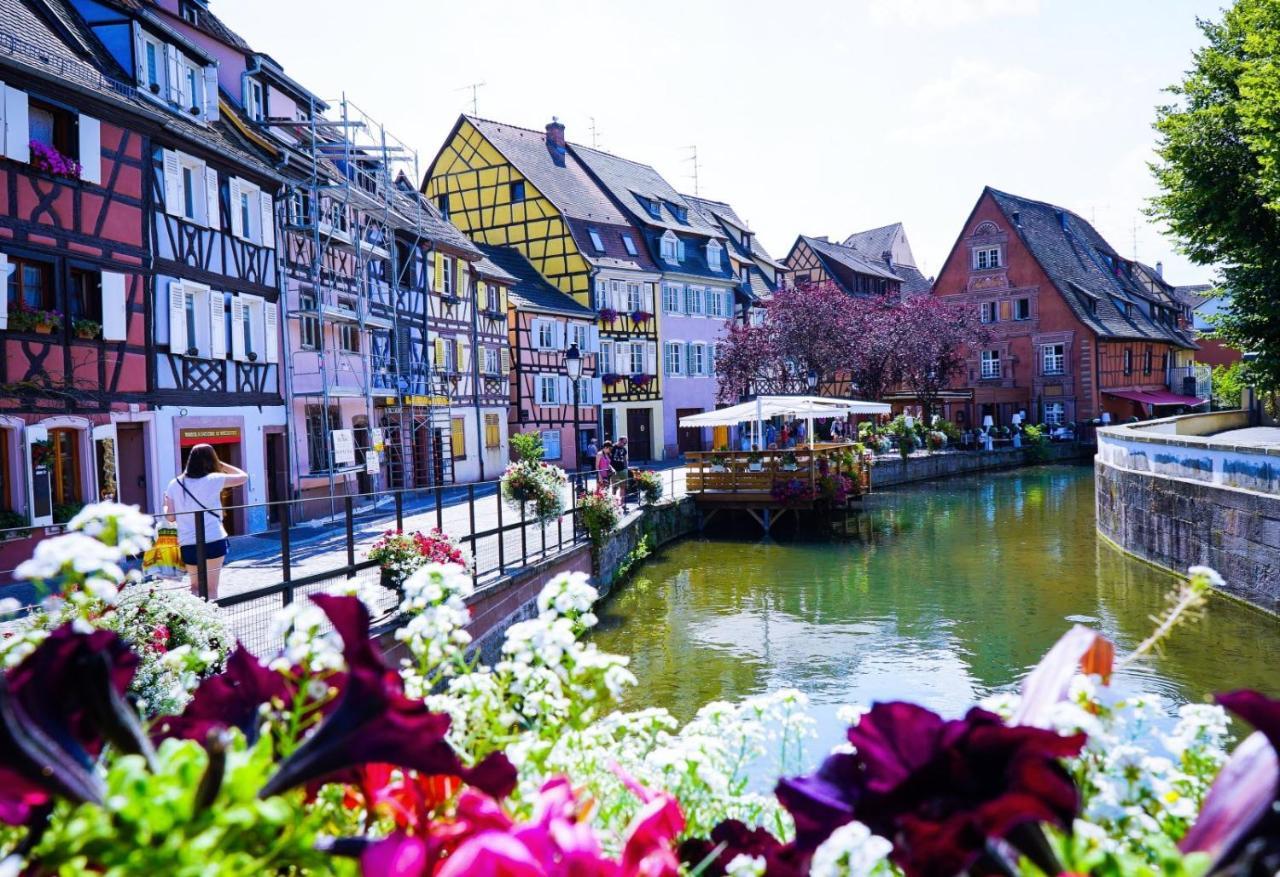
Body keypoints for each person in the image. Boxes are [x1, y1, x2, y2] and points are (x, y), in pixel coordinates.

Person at [163, 444, 247, 600]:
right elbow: (243, 477)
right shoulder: (213, 479)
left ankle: (200, 622)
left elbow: (170, 517)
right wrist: (220, 464)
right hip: (214, 538)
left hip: (188, 542)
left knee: (194, 587)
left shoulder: (174, 484)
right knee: (211, 589)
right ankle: (215, 621)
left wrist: (165, 502)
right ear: (210, 460)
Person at [609, 436, 630, 508]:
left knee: (623, 487)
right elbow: (608, 458)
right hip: (614, 470)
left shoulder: (624, 449)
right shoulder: (612, 448)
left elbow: (625, 459)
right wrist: (610, 468)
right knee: (614, 487)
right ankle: (614, 504)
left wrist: (626, 468)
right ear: (619, 441)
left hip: (622, 469)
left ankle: (623, 503)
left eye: (626, 443)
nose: (625, 444)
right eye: (624, 443)